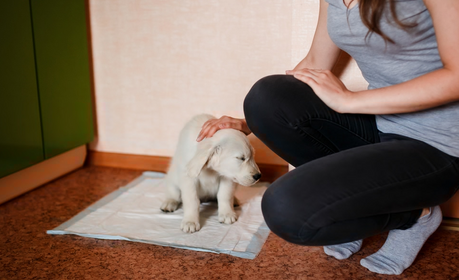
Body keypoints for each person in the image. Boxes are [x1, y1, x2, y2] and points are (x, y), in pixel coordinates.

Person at [196, 0, 459, 275]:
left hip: (439, 145)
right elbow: (314, 64)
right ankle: (353, 205)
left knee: (286, 210)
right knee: (267, 98)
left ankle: (416, 215)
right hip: (381, 127)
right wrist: (247, 122)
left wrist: (348, 101)